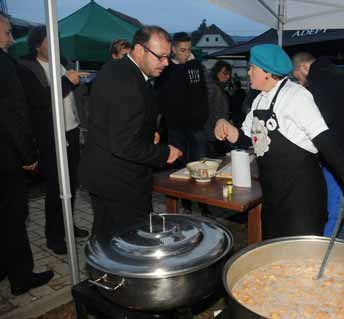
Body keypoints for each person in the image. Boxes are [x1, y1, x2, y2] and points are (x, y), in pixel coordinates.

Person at [214, 44, 344, 240]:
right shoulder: (259, 101)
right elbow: (246, 139)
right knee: (274, 254)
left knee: (301, 259)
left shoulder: (297, 96)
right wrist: (224, 124)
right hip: (274, 195)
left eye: (252, 68)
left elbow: (323, 138)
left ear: (267, 72)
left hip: (302, 198)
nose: (248, 72)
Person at [78, 26, 182, 239]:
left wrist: (146, 133)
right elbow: (123, 144)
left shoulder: (117, 68)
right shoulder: (127, 82)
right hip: (119, 180)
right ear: (139, 50)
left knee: (105, 235)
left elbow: (116, 122)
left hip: (103, 174)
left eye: (168, 57)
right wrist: (163, 153)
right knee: (130, 242)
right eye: (160, 57)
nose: (166, 63)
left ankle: (100, 272)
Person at [18, 25, 90, 255]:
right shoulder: (28, 68)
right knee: (55, 187)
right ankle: (54, 235)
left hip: (71, 130)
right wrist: (67, 81)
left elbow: (73, 99)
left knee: (71, 183)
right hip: (50, 135)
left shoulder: (63, 63)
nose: (56, 45)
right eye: (51, 41)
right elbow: (40, 102)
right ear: (38, 44)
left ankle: (67, 224)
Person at [292, 52, 344, 241]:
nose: (301, 83)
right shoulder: (340, 74)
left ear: (303, 68)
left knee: (334, 209)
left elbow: (321, 121)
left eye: (299, 78)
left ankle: (329, 253)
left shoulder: (321, 80)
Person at [0, 12, 54, 295]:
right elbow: (13, 114)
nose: (11, 38)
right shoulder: (6, 65)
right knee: (14, 217)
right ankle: (21, 277)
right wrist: (27, 155)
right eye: (7, 32)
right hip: (6, 157)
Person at [155, 31, 209, 214]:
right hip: (176, 125)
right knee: (179, 166)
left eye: (189, 50)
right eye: (182, 50)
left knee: (200, 165)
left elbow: (203, 93)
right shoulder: (166, 68)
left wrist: (202, 116)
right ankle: (185, 203)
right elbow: (160, 94)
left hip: (196, 125)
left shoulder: (197, 66)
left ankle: (203, 204)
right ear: (173, 49)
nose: (186, 54)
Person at [205, 60, 232, 158]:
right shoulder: (213, 87)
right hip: (212, 133)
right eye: (225, 73)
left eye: (229, 74)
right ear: (216, 72)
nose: (227, 77)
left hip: (215, 133)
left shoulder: (217, 87)